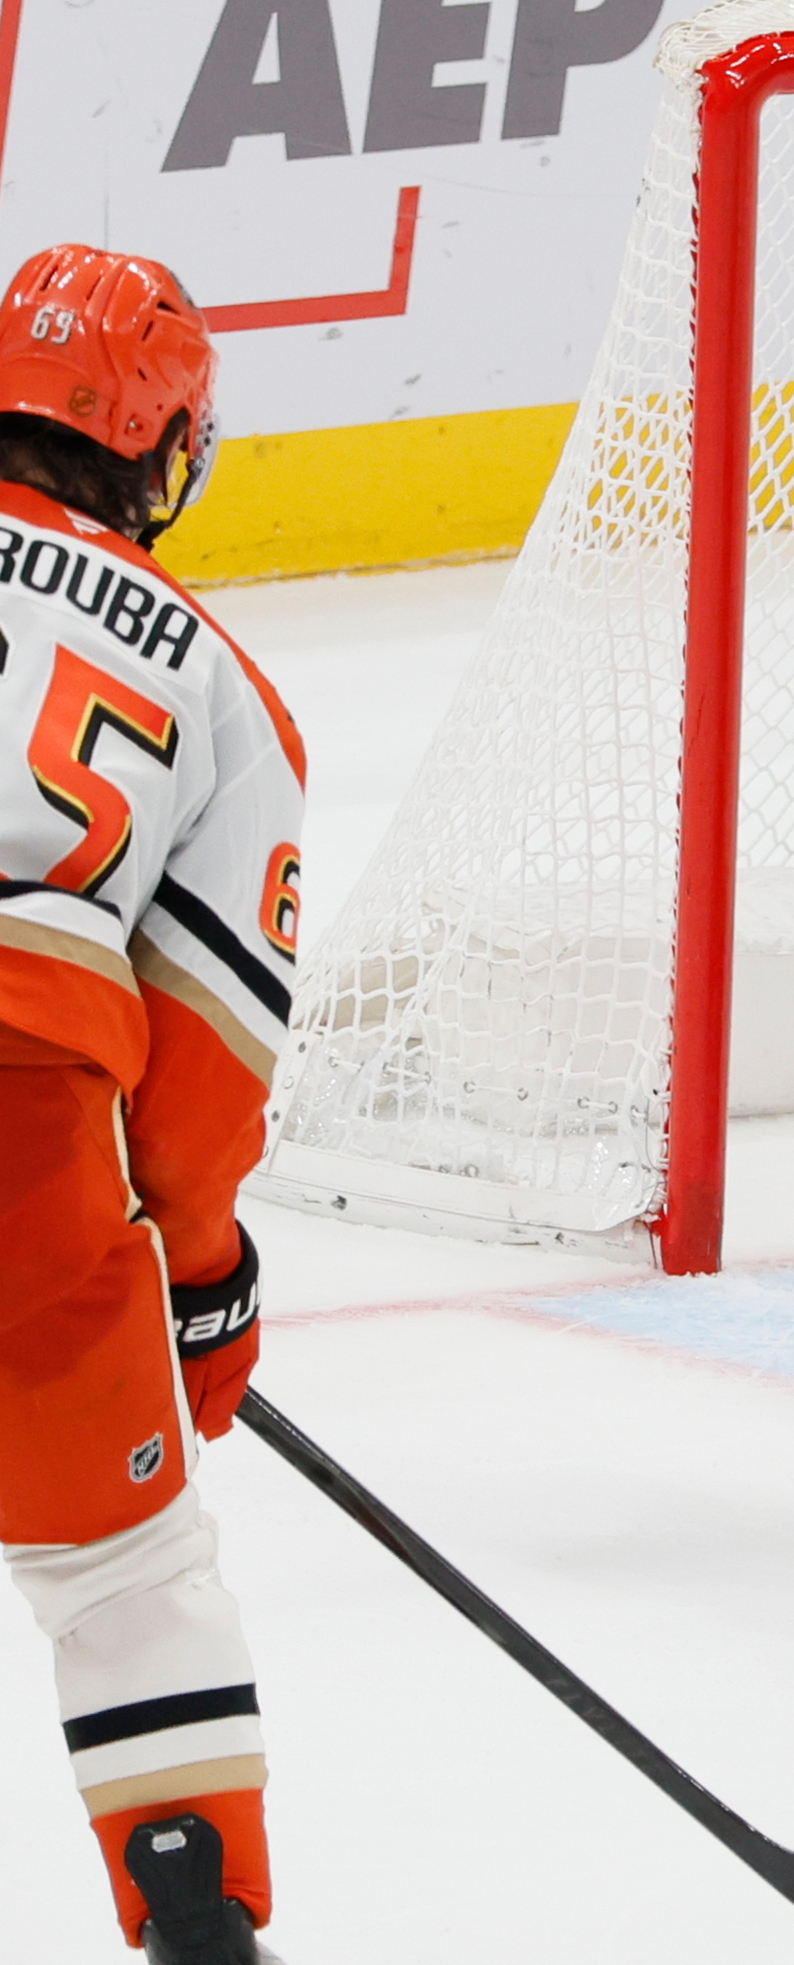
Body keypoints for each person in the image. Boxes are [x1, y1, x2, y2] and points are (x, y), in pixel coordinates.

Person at [0, 244, 302, 1961]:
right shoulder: (215, 679)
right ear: (157, 437)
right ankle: (197, 1927)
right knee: (126, 1584)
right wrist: (200, 1285)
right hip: (19, 1136)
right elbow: (200, 1092)